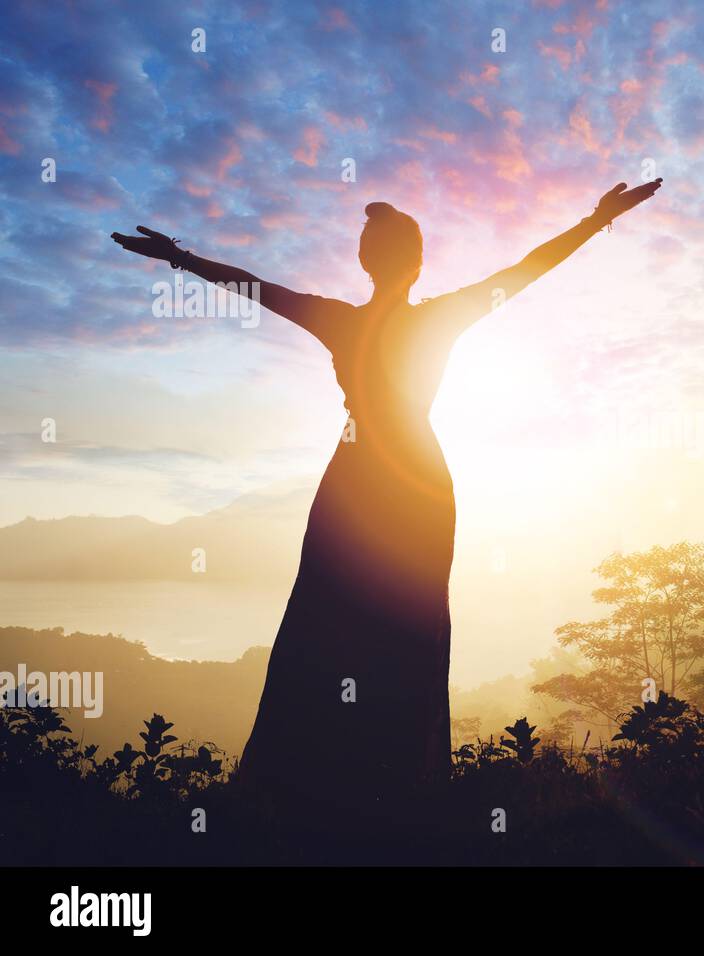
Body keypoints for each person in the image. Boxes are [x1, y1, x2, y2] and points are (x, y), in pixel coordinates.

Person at [110, 179, 663, 808]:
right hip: (417, 481)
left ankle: (310, 779)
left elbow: (250, 286)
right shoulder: (439, 316)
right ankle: (403, 777)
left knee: (326, 619)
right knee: (409, 623)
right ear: (417, 263)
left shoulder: (339, 319)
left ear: (364, 261)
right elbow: (527, 269)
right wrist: (596, 220)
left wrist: (177, 257)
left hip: (354, 476)